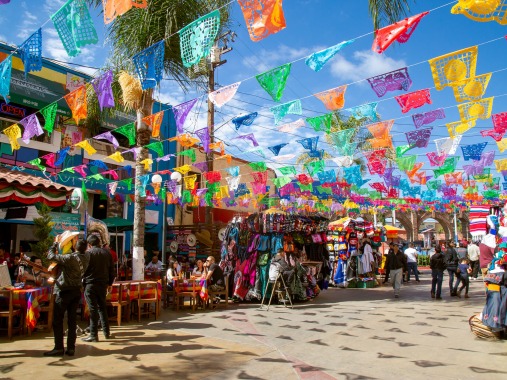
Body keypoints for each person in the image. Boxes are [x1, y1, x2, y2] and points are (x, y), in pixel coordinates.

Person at [43, 238, 90, 357]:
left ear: (75, 246)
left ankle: (59, 347)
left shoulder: (70, 258)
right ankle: (71, 348)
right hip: (76, 291)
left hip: (64, 291)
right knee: (72, 320)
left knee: (57, 320)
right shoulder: (87, 257)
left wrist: (55, 244)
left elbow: (50, 256)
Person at [82, 234, 115, 343]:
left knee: (93, 309)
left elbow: (83, 270)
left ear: (90, 244)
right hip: (102, 284)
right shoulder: (107, 253)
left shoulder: (88, 254)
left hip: (90, 284)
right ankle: (106, 332)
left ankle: (93, 335)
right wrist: (110, 283)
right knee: (102, 308)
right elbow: (112, 270)